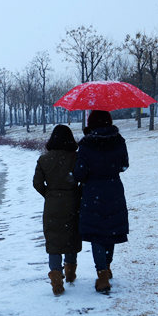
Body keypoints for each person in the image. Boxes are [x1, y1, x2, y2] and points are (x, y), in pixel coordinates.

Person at [74, 110, 129, 293]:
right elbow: (124, 165)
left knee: (97, 233)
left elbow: (80, 173)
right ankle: (107, 265)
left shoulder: (86, 144)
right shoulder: (118, 140)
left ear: (91, 123)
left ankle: (102, 273)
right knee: (110, 230)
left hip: (93, 192)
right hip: (113, 189)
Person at [33, 124, 82, 295]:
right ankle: (70, 271)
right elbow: (83, 177)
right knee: (71, 236)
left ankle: (55, 277)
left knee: (54, 240)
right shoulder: (76, 158)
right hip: (73, 201)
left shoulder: (44, 159)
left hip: (52, 205)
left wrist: (49, 194)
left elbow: (37, 183)